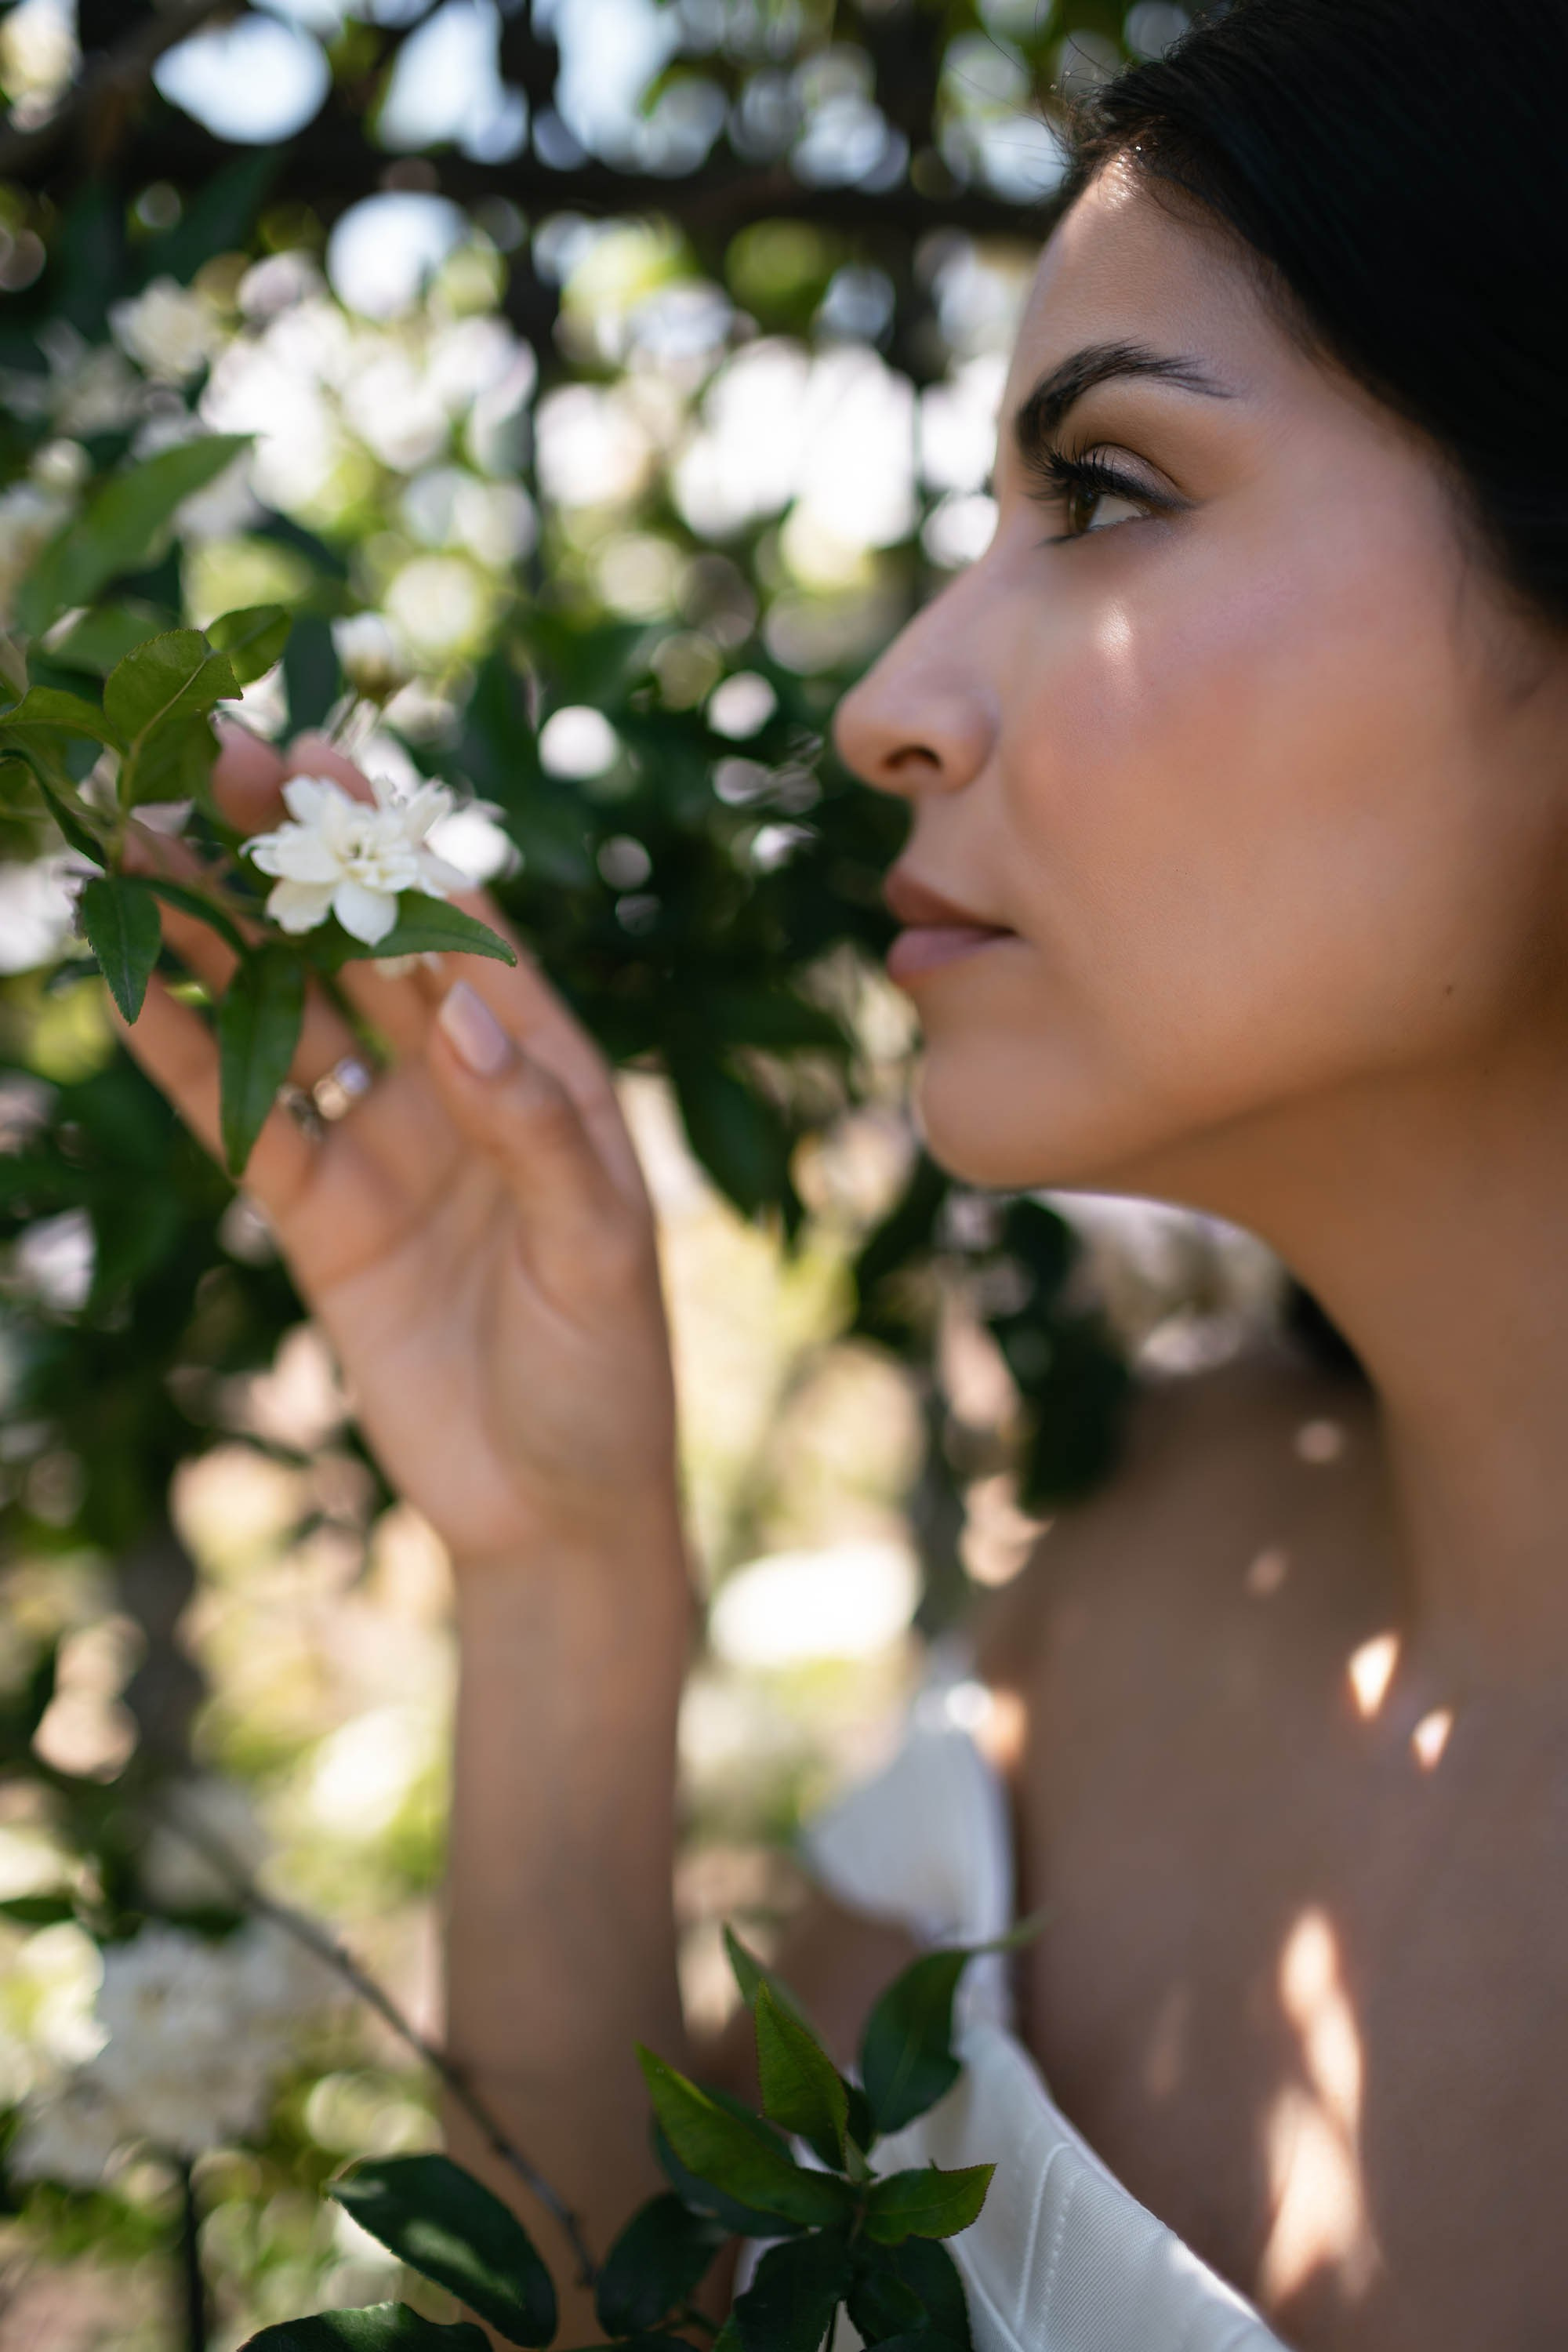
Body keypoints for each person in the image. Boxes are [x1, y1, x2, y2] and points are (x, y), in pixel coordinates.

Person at [118, 0, 1568, 2343]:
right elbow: (636, 2311)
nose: (885, 698)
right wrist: (560, 1576)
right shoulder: (1110, 1586)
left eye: (1106, 492)